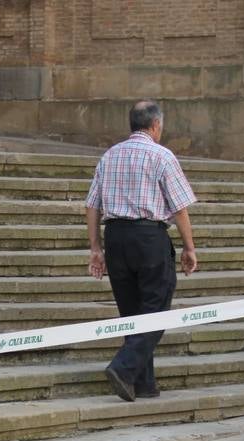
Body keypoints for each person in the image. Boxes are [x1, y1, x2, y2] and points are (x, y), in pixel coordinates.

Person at [85, 100, 198, 401]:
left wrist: (96, 248)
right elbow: (180, 207)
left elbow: (92, 205)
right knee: (157, 309)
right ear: (156, 125)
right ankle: (124, 367)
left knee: (133, 313)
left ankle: (144, 383)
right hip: (149, 238)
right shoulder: (161, 155)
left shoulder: (109, 156)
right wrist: (189, 248)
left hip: (116, 237)